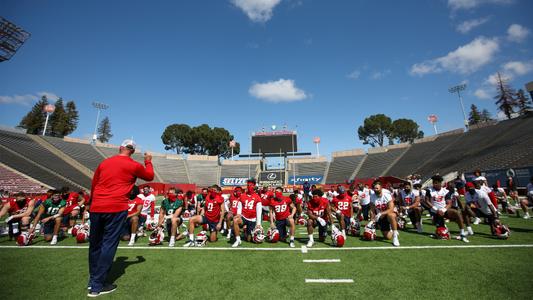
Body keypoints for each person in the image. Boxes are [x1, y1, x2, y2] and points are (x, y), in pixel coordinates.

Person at [87, 139, 154, 297]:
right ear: (132, 151)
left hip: (97, 206)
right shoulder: (134, 165)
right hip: (116, 207)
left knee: (95, 244)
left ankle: (92, 279)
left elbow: (94, 184)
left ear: (120, 148)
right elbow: (150, 176)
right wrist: (148, 161)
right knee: (108, 244)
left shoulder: (104, 163)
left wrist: (91, 203)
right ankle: (97, 285)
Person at [424, 175, 469, 242]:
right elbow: (427, 201)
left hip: (444, 210)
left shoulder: (445, 191)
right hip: (435, 211)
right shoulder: (429, 190)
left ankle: (462, 233)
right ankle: (443, 230)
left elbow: (449, 203)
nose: (434, 184)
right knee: (441, 231)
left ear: (440, 183)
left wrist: (443, 210)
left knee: (457, 213)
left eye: (436, 183)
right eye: (433, 183)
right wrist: (436, 209)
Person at [232, 179, 262, 247]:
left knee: (249, 239)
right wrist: (239, 214)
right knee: (235, 220)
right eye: (248, 185)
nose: (249, 186)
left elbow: (259, 211)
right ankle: (238, 240)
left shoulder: (257, 197)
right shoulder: (242, 196)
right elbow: (239, 207)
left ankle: (246, 231)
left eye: (251, 185)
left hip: (253, 219)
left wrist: (258, 224)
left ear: (254, 186)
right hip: (244, 217)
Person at [369, 181, 400, 247]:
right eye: (374, 188)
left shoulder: (386, 195)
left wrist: (381, 213)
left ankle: (395, 236)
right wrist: (371, 221)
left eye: (377, 188)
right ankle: (392, 228)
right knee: (387, 237)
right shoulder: (372, 196)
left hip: (389, 214)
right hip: (381, 217)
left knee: (391, 215)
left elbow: (391, 209)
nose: (375, 190)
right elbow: (372, 210)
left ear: (381, 188)